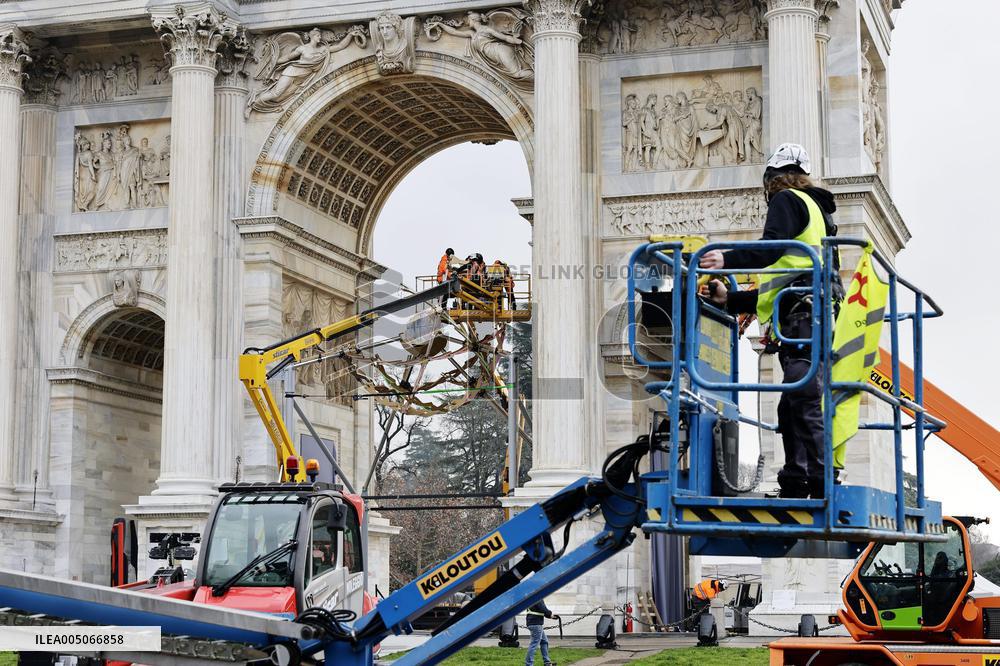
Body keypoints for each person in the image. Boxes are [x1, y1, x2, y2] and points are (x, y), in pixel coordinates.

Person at [700, 143, 839, 499]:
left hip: (802, 314)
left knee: (802, 392)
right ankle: (796, 480)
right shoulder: (818, 211)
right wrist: (730, 299)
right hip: (812, 312)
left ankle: (823, 481)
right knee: (792, 398)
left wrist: (725, 260)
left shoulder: (785, 199)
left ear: (772, 178)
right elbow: (783, 277)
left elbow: (772, 249)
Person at [525, 599, 559, 666]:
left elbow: (540, 610)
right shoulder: (537, 597)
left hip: (534, 622)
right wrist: (550, 614)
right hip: (536, 623)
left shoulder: (533, 597)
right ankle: (529, 664)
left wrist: (550, 616)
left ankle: (547, 663)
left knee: (544, 641)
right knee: (534, 644)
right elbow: (542, 608)